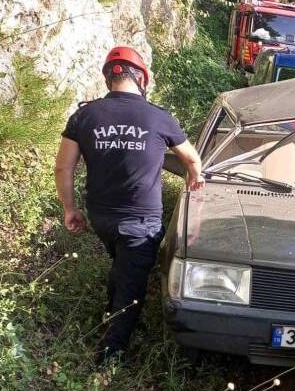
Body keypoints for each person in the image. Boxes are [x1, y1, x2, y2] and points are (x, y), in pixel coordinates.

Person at [55, 46, 204, 364]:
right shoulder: (159, 116)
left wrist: (70, 209)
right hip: (141, 221)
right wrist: (194, 178)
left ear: (109, 78)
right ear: (141, 79)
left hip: (101, 217)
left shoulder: (84, 115)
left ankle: (112, 302)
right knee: (132, 287)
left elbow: (63, 168)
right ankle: (110, 355)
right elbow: (192, 158)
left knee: (123, 265)